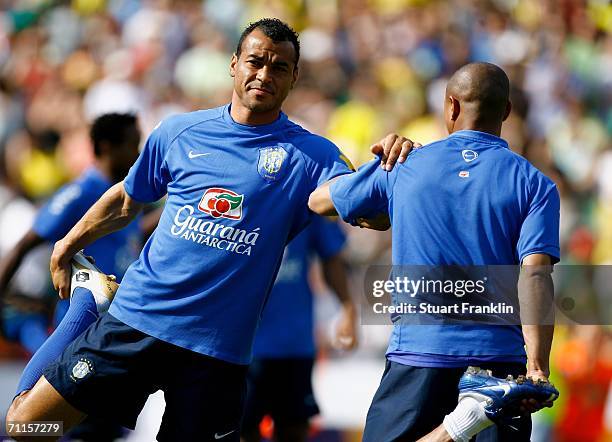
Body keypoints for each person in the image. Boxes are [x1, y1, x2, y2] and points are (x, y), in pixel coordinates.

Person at [5, 18, 413, 442]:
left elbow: (372, 215)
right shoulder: (179, 132)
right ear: (234, 64)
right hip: (138, 319)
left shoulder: (312, 155)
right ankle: (86, 307)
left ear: (294, 78)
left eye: (278, 68)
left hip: (217, 354)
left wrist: (387, 170)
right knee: (27, 427)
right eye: (255, 62)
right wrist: (68, 243)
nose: (264, 75)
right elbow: (128, 199)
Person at [309, 62, 560, 441]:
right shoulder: (536, 185)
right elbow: (536, 275)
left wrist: (372, 190)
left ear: (451, 106)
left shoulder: (403, 165)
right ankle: (464, 421)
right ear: (506, 112)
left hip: (420, 354)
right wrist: (537, 367)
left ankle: (460, 424)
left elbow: (319, 202)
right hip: (500, 366)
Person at [0, 113, 143, 441]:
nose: (137, 154)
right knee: (36, 427)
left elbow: (128, 244)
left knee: (98, 432)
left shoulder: (127, 197)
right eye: (132, 145)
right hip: (82, 335)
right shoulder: (81, 193)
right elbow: (24, 245)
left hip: (117, 333)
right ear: (107, 147)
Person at [241, 216, 357, 442]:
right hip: (241, 344)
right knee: (241, 427)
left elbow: (331, 256)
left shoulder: (309, 195)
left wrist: (348, 309)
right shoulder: (236, 193)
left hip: (294, 341)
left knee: (294, 427)